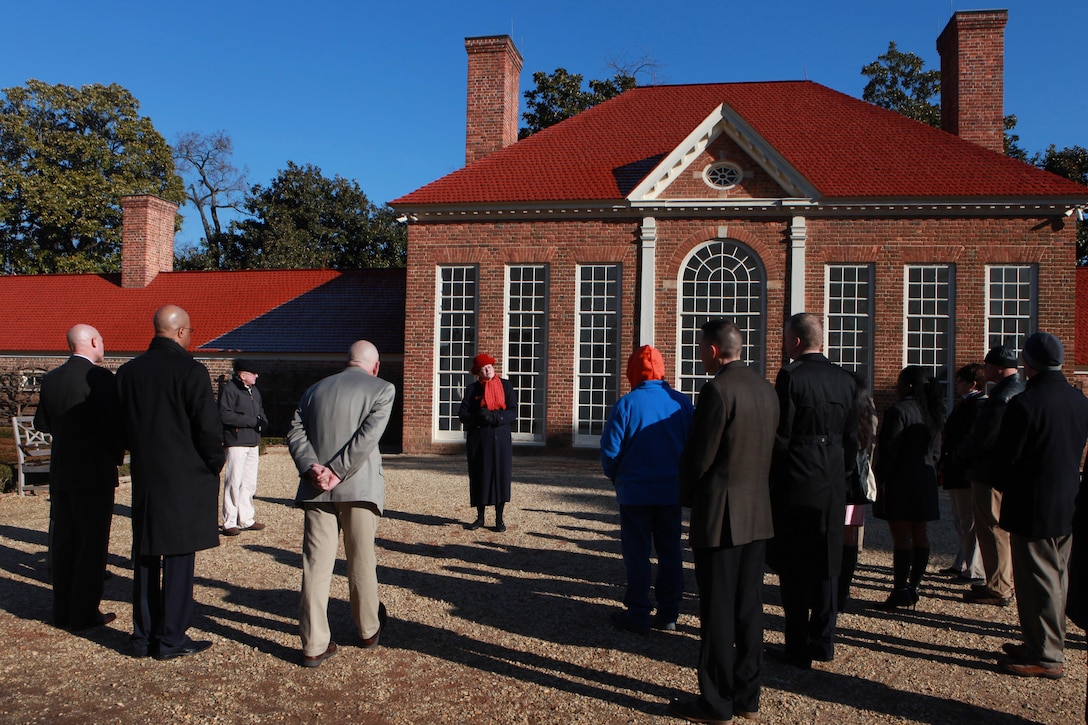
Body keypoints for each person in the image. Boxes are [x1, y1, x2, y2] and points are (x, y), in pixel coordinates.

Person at [671, 320, 778, 724]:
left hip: (720, 514)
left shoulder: (717, 390)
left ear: (713, 351)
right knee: (749, 608)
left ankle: (716, 702)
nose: (700, 354)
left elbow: (700, 456)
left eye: (701, 348)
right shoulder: (765, 389)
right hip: (758, 512)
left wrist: (684, 495)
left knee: (717, 610)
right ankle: (747, 697)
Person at [116, 305, 225, 660]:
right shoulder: (190, 371)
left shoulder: (128, 372)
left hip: (147, 475)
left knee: (146, 553)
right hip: (184, 476)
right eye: (190, 332)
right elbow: (207, 427)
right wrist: (215, 461)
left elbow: (120, 425)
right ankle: (171, 637)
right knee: (179, 557)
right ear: (180, 332)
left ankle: (143, 636)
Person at [287, 340, 395, 668]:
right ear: (375, 366)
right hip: (359, 487)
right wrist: (336, 471)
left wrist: (313, 468)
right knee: (361, 560)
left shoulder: (314, 390)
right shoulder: (382, 388)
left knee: (315, 567)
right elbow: (368, 437)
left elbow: (295, 432)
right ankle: (368, 629)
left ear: (347, 361)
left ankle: (313, 644)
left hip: (316, 488)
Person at [992, 332, 1088, 679]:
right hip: (1068, 499)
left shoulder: (1026, 404)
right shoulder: (1079, 401)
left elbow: (1006, 459)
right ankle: (1042, 642)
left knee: (1038, 581)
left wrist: (1003, 482)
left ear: (1029, 363)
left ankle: (1046, 655)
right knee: (1058, 576)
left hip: (1032, 504)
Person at [767, 312, 858, 668]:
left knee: (794, 564)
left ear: (796, 341)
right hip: (833, 475)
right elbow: (853, 437)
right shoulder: (845, 379)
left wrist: (772, 478)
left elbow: (782, 435)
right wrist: (843, 473)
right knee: (828, 561)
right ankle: (823, 640)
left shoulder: (791, 376)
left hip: (798, 474)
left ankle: (797, 646)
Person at [34, 324, 123, 631]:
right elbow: (114, 424)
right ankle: (85, 613)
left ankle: (61, 610)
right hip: (94, 471)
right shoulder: (99, 378)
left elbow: (42, 423)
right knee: (91, 543)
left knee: (64, 541)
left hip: (62, 469)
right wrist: (117, 452)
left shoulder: (51, 378)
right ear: (94, 342)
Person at [600, 345, 694, 634]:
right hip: (670, 491)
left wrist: (616, 476)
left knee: (637, 553)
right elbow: (693, 446)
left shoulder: (627, 404)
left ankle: (638, 611)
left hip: (635, 493)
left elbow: (610, 451)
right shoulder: (681, 403)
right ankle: (669, 613)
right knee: (670, 551)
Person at [954, 345, 1024, 607]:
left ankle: (998, 587)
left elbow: (984, 437)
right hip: (1002, 471)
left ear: (998, 367)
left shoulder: (1002, 396)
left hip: (989, 471)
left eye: (987, 365)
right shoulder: (1018, 390)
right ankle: (1001, 581)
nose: (984, 370)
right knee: (998, 529)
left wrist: (961, 454)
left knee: (991, 529)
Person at [873, 366, 945, 609]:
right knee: (920, 533)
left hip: (901, 479)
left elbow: (889, 448)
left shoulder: (899, 410)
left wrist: (881, 476)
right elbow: (936, 452)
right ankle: (914, 586)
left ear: (909, 386)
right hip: (925, 477)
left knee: (902, 537)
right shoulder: (932, 411)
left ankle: (900, 589)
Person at [938, 364, 987, 582]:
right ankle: (962, 562)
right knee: (960, 521)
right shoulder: (967, 405)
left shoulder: (978, 406)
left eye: (960, 381)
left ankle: (974, 569)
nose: (957, 385)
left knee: (970, 522)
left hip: (965, 472)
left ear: (972, 384)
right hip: (956, 470)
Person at [458, 353, 518, 532]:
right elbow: (463, 414)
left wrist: (497, 417)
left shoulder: (506, 386)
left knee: (501, 475)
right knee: (480, 475)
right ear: (478, 372)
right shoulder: (472, 389)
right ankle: (480, 517)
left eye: (489, 366)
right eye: (483, 368)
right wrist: (478, 417)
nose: (487, 370)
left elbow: (513, 411)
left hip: (500, 436)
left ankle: (499, 519)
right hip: (479, 438)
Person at [218, 359, 268, 536]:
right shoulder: (230, 390)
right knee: (234, 481)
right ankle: (229, 521)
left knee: (249, 482)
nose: (256, 376)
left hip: (253, 441)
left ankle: (246, 518)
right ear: (243, 375)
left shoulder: (254, 390)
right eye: (253, 373)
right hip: (236, 441)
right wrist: (252, 422)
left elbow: (260, 410)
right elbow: (225, 415)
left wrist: (263, 422)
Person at [840, 384, 877, 608]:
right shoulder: (867, 419)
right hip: (858, 480)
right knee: (851, 536)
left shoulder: (846, 418)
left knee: (841, 535)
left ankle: (838, 586)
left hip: (844, 480)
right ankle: (844, 588)